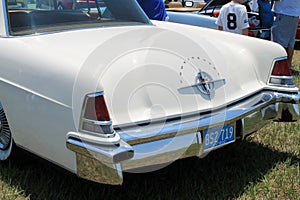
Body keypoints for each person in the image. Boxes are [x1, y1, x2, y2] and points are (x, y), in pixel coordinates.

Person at [271, 0, 300, 69]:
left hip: (284, 13)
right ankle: (288, 66)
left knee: (280, 42)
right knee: (290, 42)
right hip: (294, 13)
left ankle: (280, 67)